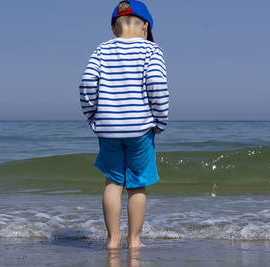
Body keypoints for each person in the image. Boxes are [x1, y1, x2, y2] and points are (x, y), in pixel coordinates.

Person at [79, 0, 169, 249]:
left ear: (113, 29)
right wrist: (160, 120)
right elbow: (157, 86)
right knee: (137, 184)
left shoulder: (101, 50)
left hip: (108, 127)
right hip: (140, 128)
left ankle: (112, 240)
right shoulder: (151, 50)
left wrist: (92, 115)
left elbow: (87, 83)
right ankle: (135, 240)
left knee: (113, 183)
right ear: (145, 27)